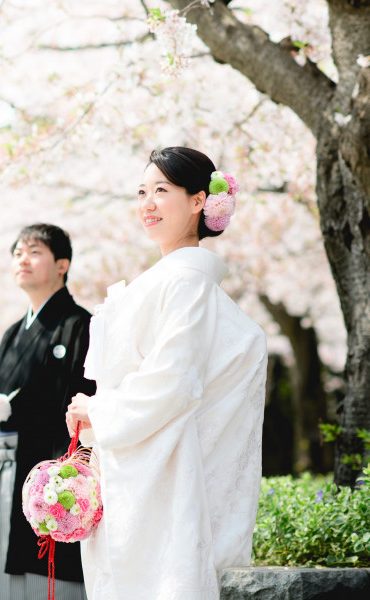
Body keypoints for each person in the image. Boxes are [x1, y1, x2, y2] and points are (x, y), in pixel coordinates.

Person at [66, 147, 268, 600]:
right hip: (138, 467)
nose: (147, 204)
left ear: (199, 201)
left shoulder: (184, 281)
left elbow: (172, 381)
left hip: (160, 474)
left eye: (161, 190)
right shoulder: (170, 279)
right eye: (141, 191)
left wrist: (99, 409)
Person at [0, 223, 96, 600]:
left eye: (35, 251)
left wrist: (72, 482)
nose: (23, 259)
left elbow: (86, 411)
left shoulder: (79, 326)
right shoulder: (10, 335)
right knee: (5, 577)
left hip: (51, 483)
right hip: (5, 475)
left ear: (62, 264)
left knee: (49, 576)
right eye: (18, 253)